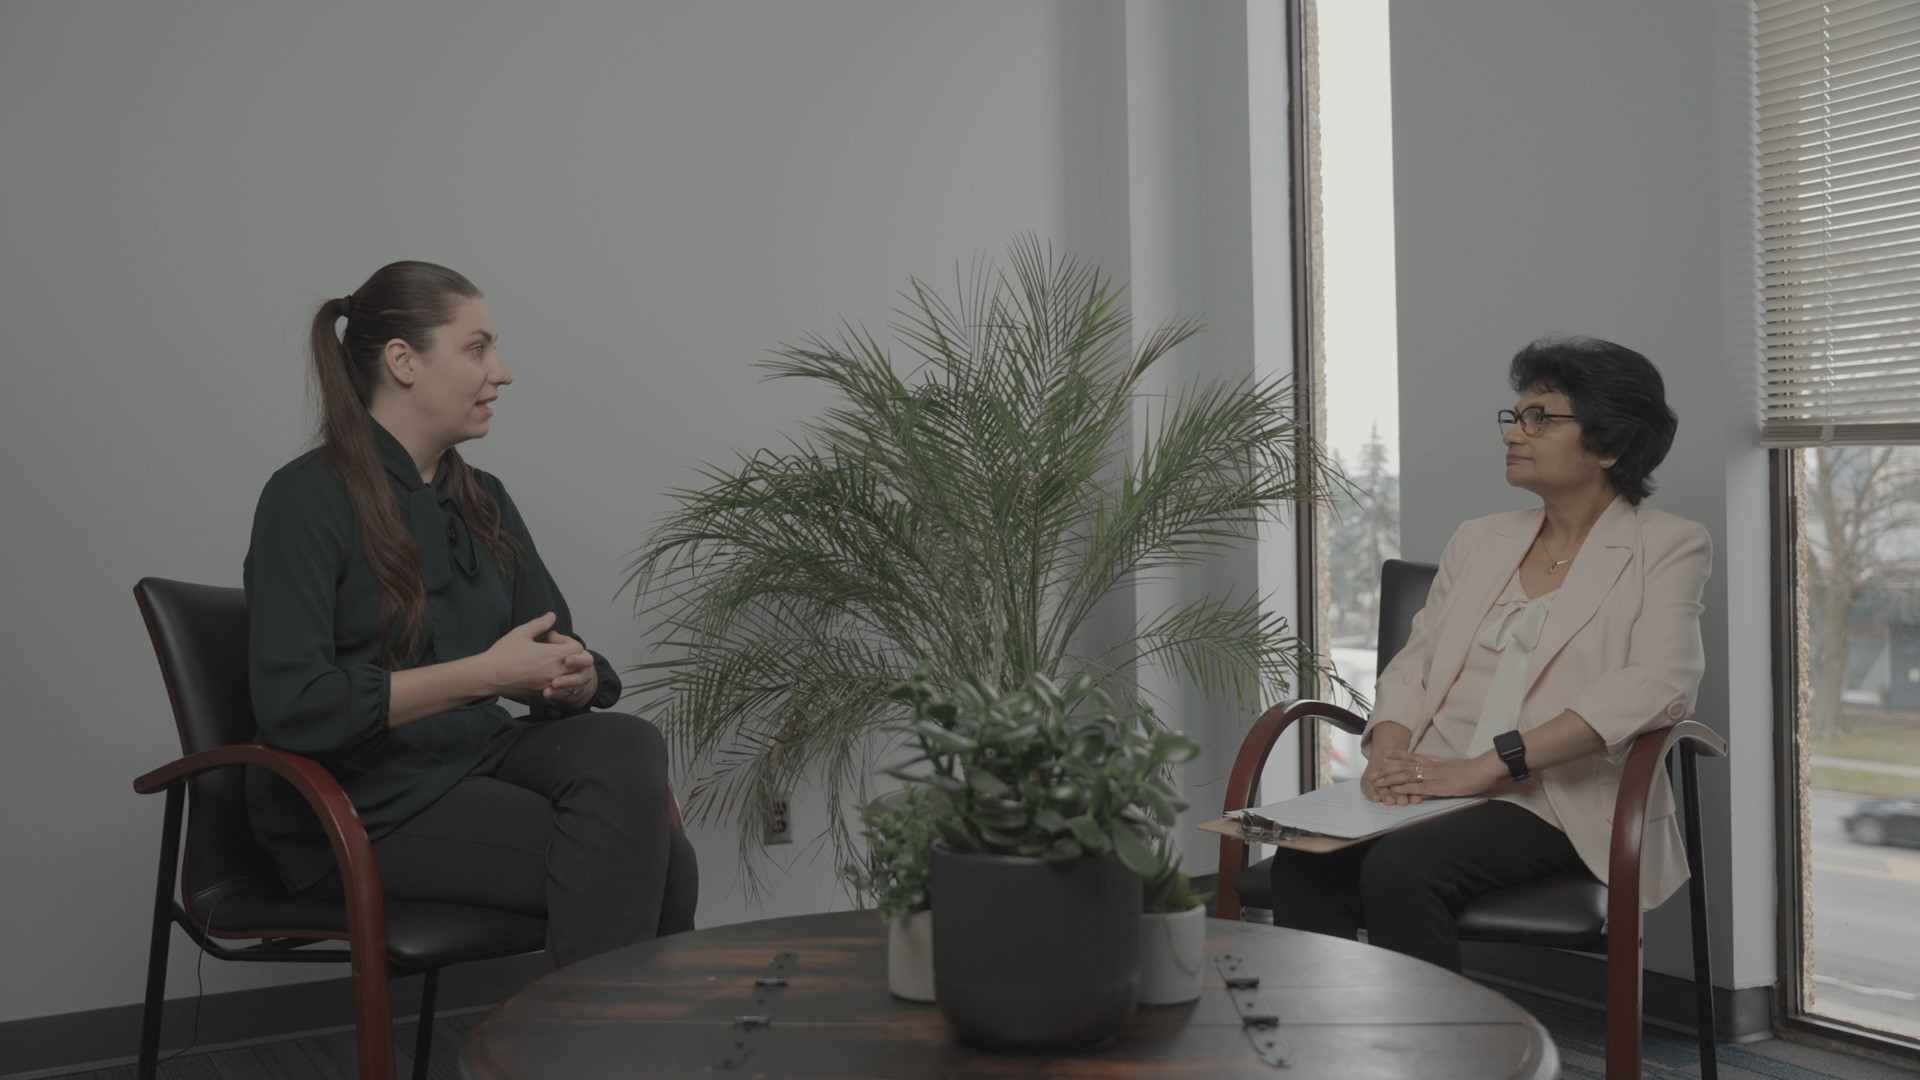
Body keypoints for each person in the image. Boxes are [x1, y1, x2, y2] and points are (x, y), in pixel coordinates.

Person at [244, 260, 697, 968]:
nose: (503, 372)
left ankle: (601, 1049)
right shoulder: (307, 499)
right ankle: (598, 1054)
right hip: (366, 801)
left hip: (471, 761)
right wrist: (486, 675)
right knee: (663, 861)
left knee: (627, 741)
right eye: (477, 348)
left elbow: (554, 643)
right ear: (403, 362)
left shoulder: (483, 497)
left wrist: (570, 676)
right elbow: (293, 706)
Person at [1270, 336, 1710, 973]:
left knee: (1404, 866)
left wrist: (1486, 768)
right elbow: (1415, 665)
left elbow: (1658, 682)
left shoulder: (1667, 545)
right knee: (1305, 856)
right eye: (1515, 416)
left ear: (1611, 445)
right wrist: (1390, 750)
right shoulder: (1479, 539)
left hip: (1553, 796)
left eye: (1541, 418)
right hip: (1431, 777)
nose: (1514, 433)